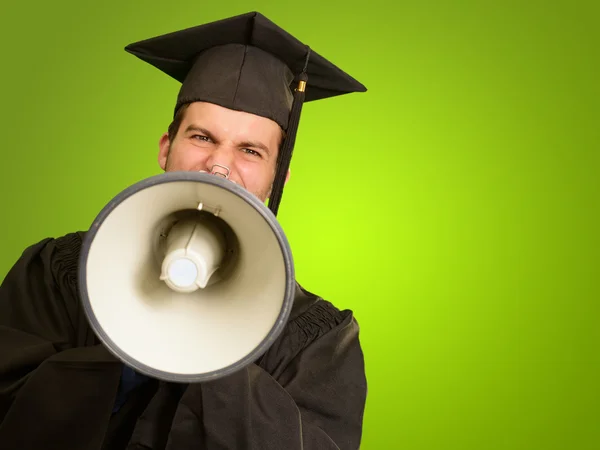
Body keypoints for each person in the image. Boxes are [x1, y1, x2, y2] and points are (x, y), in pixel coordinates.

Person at [0, 11, 368, 450]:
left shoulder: (319, 340)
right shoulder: (58, 273)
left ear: (278, 176)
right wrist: (126, 358)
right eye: (202, 137)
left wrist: (218, 352)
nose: (219, 166)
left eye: (250, 150)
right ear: (165, 147)